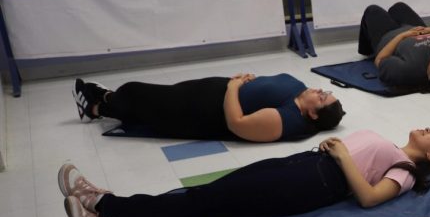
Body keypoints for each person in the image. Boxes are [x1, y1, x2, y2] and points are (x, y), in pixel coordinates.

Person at [59, 128, 430, 217]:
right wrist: (333, 151)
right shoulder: (391, 145)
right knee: (211, 203)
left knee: (207, 199)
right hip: (304, 165)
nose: (427, 129)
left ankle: (106, 203)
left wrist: (341, 158)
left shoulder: (405, 171)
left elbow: (369, 199)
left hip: (313, 183)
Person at [72, 73, 344, 142]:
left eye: (322, 99)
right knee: (146, 99)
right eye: (325, 91)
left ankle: (99, 102)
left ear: (311, 114)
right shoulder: (298, 94)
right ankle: (100, 102)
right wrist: (246, 80)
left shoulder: (287, 120)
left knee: (136, 93)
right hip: (210, 92)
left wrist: (234, 87)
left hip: (203, 109)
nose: (320, 91)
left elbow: (236, 123)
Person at [358, 2, 430, 94]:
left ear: (428, 74)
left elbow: (380, 59)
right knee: (399, 7)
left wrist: (402, 36)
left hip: (388, 35)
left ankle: (365, 50)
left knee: (372, 10)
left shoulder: (408, 71)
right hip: (417, 28)